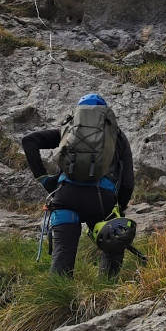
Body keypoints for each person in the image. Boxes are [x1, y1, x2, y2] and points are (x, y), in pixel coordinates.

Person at [22, 93, 135, 278]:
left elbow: (29, 141)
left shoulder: (69, 131)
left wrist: (43, 178)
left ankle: (58, 300)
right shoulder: (116, 135)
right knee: (113, 247)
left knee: (63, 255)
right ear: (106, 115)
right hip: (101, 200)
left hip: (66, 196)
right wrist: (119, 207)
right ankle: (104, 291)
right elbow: (128, 182)